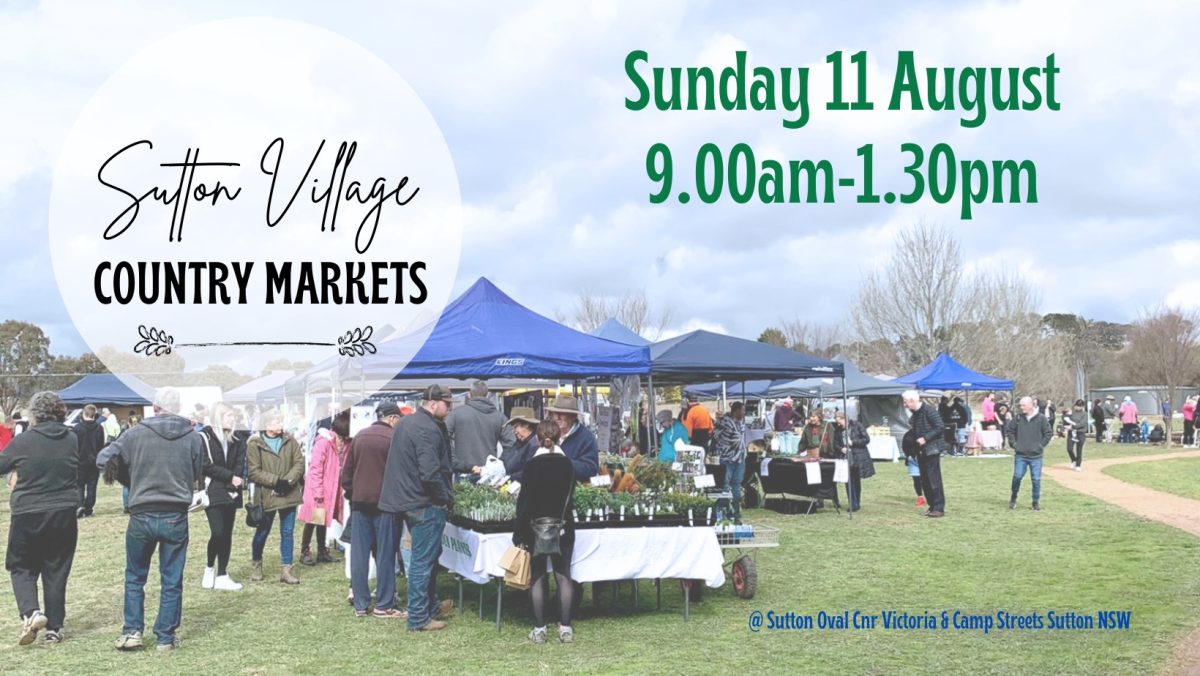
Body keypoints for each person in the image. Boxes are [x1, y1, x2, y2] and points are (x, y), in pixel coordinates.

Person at [96, 387, 204, 652]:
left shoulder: (134, 434)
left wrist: (130, 480)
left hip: (142, 512)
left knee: (135, 576)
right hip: (175, 514)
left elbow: (103, 458)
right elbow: (198, 471)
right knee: (172, 579)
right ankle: (165, 637)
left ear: (154, 407)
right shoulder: (193, 437)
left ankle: (133, 631)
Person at [0, 392, 80, 645]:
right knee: (56, 568)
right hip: (64, 511)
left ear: (34, 413)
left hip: (28, 511)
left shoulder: (24, 441)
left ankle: (31, 611)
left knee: (21, 566)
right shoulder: (72, 438)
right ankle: (54, 628)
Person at [379, 384, 456, 632]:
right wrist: (444, 497)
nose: (450, 408)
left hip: (407, 500)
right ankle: (418, 617)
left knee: (428, 558)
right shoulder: (426, 428)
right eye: (447, 404)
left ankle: (429, 606)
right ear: (433, 403)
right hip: (424, 502)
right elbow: (430, 471)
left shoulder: (406, 423)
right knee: (423, 561)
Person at [513, 420, 577, 645]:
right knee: (563, 575)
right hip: (564, 526)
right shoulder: (568, 464)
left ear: (538, 439)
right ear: (559, 437)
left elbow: (524, 503)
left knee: (538, 576)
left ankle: (540, 629)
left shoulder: (532, 465)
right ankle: (566, 628)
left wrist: (518, 534)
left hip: (535, 527)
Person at [341, 402, 405, 618]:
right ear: (393, 419)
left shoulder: (359, 437)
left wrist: (353, 495)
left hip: (359, 505)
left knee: (359, 556)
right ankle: (384, 604)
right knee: (385, 555)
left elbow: (346, 476)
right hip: (386, 506)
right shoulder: (393, 439)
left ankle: (360, 603)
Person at [245, 410, 305, 585]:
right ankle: (257, 564)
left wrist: (287, 482)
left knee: (287, 532)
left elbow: (299, 463)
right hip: (266, 495)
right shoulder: (254, 444)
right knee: (263, 531)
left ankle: (287, 570)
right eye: (276, 421)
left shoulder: (290, 440)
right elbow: (254, 471)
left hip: (290, 492)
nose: (280, 423)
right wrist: (275, 482)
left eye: (281, 420)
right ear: (267, 424)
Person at [199, 402, 246, 592]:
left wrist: (233, 481)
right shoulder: (205, 437)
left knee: (227, 533)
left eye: (233, 416)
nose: (232, 419)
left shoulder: (237, 438)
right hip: (214, 489)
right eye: (228, 416)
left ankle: (223, 573)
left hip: (232, 490)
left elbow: (239, 463)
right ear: (219, 417)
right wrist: (229, 477)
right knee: (217, 531)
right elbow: (205, 465)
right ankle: (210, 566)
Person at [300, 411, 349, 567]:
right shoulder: (324, 442)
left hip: (333, 487)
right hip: (320, 488)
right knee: (314, 519)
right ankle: (305, 550)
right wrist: (318, 491)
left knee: (324, 519)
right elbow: (315, 469)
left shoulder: (346, 443)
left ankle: (322, 550)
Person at [447, 381, 512, 475]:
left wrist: (454, 461)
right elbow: (511, 446)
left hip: (462, 471)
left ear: (469, 395)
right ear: (488, 395)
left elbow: (442, 438)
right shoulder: (500, 417)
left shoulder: (456, 414)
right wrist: (499, 464)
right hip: (489, 472)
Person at [903, 390, 946, 518]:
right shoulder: (915, 414)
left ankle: (939, 507)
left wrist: (925, 438)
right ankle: (932, 506)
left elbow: (940, 427)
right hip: (921, 451)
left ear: (912, 401)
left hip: (932, 449)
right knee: (925, 480)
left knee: (934, 480)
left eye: (905, 402)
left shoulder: (929, 410)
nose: (904, 405)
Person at [1006, 396, 1053, 510]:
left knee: (1036, 480)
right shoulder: (1017, 418)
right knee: (1017, 477)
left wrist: (1040, 446)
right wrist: (1014, 444)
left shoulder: (1041, 418)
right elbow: (1010, 431)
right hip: (1021, 455)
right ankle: (1013, 497)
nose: (1021, 408)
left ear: (1031, 405)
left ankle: (1035, 502)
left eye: (1024, 405)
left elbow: (1048, 433)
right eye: (1020, 405)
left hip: (1036, 456)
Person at [546, 396, 599, 481]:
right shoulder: (549, 434)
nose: (558, 417)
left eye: (563, 414)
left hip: (572, 489)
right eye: (556, 413)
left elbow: (591, 469)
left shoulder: (586, 437)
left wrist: (563, 463)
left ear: (573, 417)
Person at [713, 401, 748, 523]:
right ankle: (723, 514)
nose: (744, 413)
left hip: (740, 459)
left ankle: (736, 515)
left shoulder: (740, 423)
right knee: (724, 488)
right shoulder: (725, 422)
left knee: (736, 487)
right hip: (726, 460)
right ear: (737, 411)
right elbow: (718, 437)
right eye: (743, 410)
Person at [835, 411, 875, 512]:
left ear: (844, 418)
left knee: (856, 481)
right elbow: (835, 443)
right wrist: (841, 449)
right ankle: (853, 504)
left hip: (858, 457)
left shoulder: (857, 425)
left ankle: (857, 502)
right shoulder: (838, 430)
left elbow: (866, 439)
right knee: (848, 480)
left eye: (839, 421)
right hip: (845, 457)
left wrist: (853, 442)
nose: (838, 424)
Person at [74, 404, 105, 518]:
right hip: (94, 461)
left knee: (79, 485)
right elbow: (101, 445)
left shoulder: (77, 428)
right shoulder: (99, 428)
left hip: (80, 461)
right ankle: (89, 507)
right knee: (92, 486)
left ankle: (80, 505)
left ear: (83, 414)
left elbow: (75, 446)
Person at [501, 408, 541, 483]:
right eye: (512, 428)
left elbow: (527, 472)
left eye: (516, 427)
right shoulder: (517, 443)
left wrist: (508, 478)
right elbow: (504, 459)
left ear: (526, 425)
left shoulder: (534, 445)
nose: (514, 431)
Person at [1063, 399, 1088, 472]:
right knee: (1069, 448)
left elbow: (1082, 423)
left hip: (1080, 433)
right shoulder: (1072, 413)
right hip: (1072, 432)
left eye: (1079, 406)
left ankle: (1078, 464)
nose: (1077, 407)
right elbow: (1067, 420)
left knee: (1079, 449)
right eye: (1076, 405)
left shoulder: (1084, 414)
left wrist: (1074, 426)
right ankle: (1073, 460)